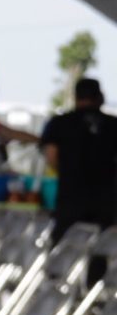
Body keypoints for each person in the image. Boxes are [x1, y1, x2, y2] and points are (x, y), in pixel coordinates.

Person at [42, 78, 115, 246]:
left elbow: (51, 156)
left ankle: (58, 273)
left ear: (76, 97)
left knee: (62, 249)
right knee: (99, 250)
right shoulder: (112, 124)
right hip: (104, 199)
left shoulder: (60, 122)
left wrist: (68, 172)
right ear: (100, 97)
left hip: (70, 196)